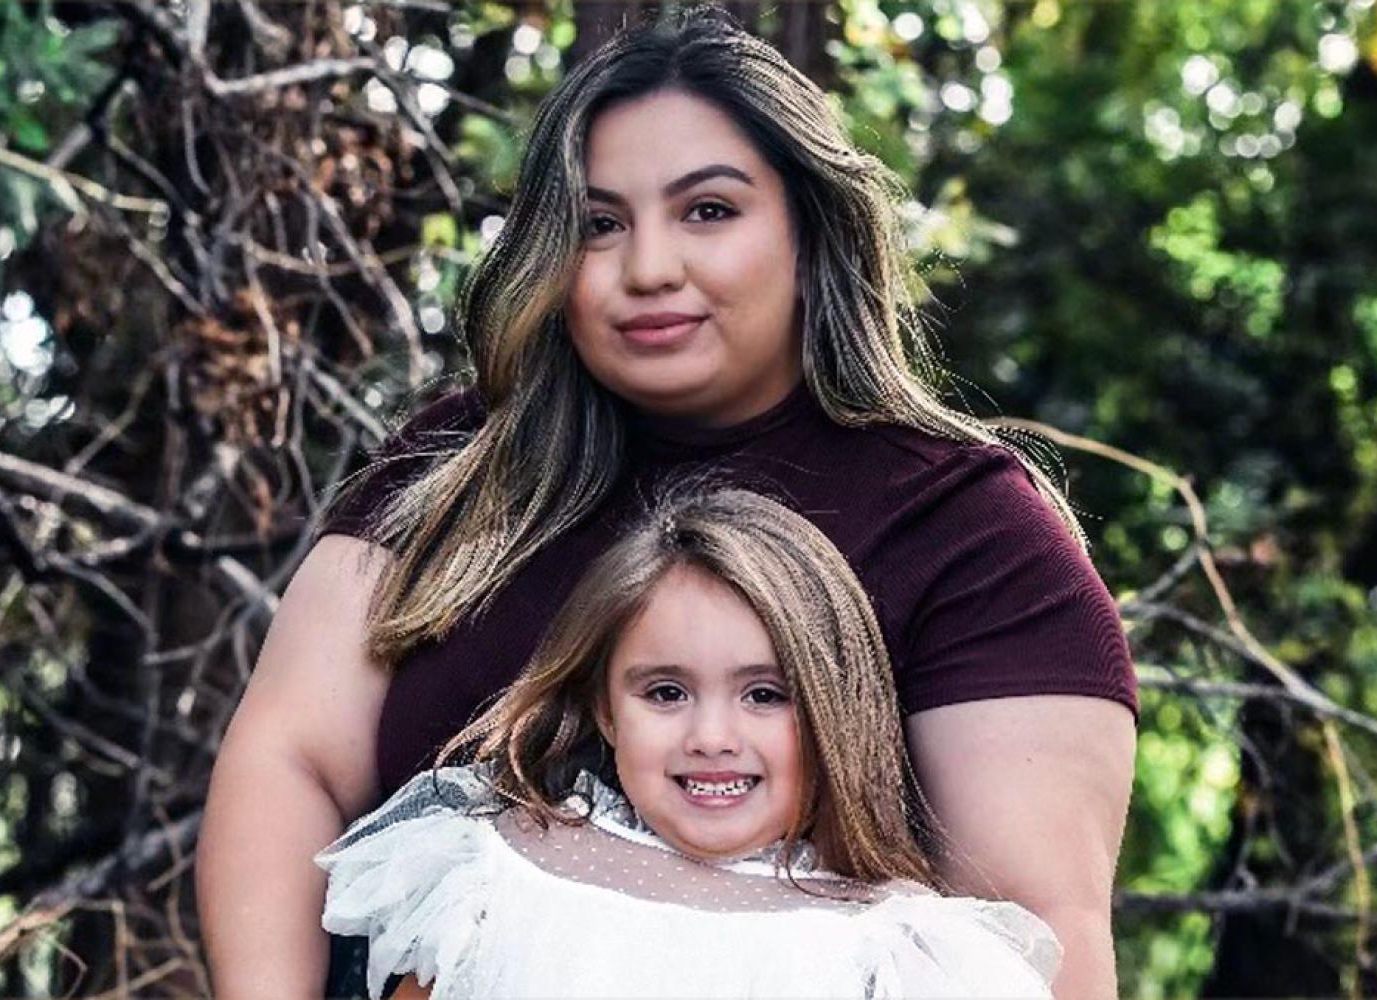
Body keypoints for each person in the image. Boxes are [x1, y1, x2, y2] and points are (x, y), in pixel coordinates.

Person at [196, 7, 1137, 999]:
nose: (646, 269)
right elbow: (286, 762)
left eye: (708, 211)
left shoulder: (974, 534)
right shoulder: (452, 464)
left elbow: (1038, 938)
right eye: (599, 224)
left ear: (811, 232)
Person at [316, 486, 1061, 999]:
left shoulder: (892, 953)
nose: (711, 738)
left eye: (766, 695)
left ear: (835, 712)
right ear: (606, 712)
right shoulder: (499, 874)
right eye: (666, 693)